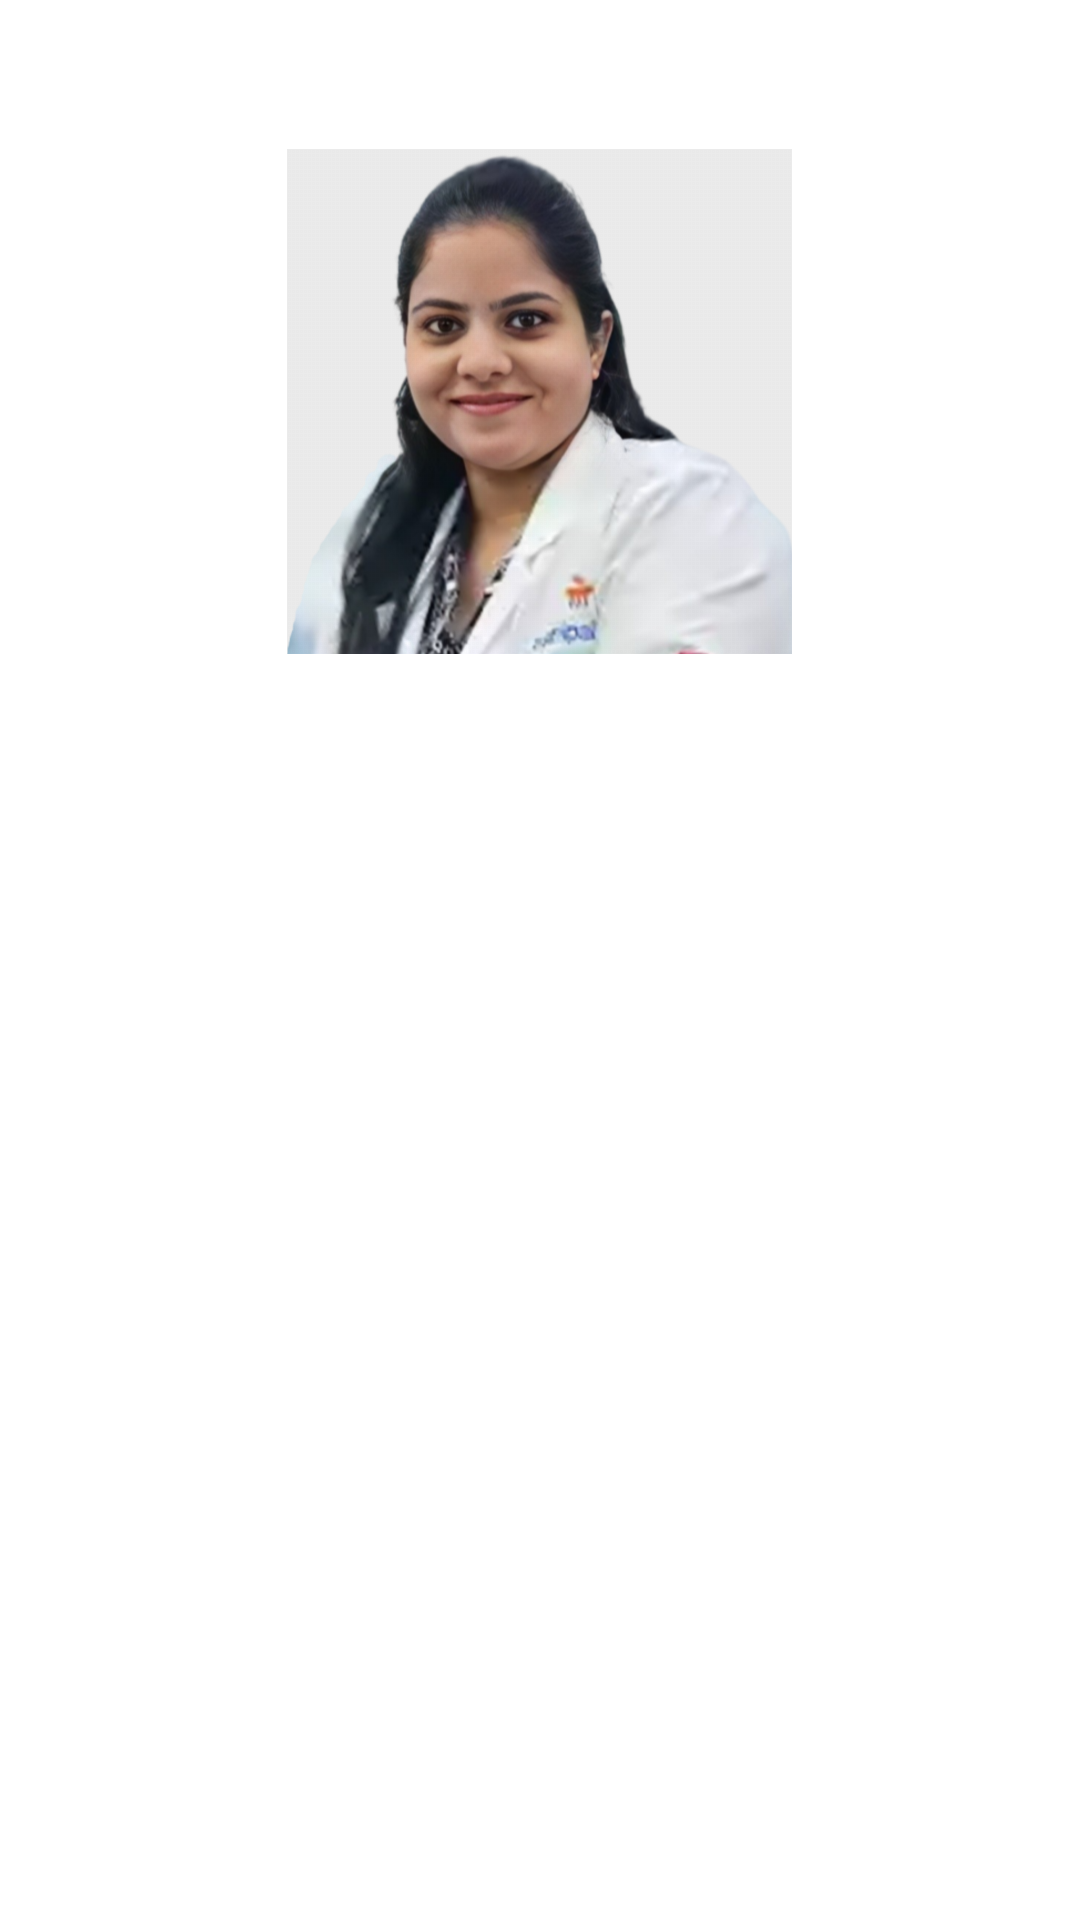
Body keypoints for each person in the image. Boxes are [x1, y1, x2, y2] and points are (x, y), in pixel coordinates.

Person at [288, 158, 791, 655]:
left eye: (526, 320)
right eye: (443, 326)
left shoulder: (693, 514)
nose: (480, 363)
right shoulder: (372, 529)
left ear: (596, 343)